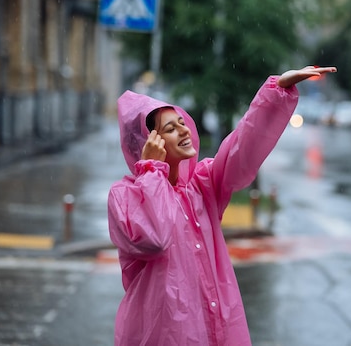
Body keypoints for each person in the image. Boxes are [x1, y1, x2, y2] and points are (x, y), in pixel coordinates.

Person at [107, 65, 337, 345]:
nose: (183, 130)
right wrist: (153, 170)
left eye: (181, 123)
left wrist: (277, 91)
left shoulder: (201, 186)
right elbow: (155, 237)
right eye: (170, 128)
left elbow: (242, 149)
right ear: (149, 142)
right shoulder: (125, 197)